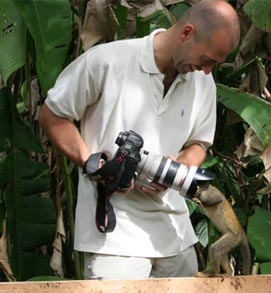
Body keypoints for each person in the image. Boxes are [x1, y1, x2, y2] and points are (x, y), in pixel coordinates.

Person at [39, 0, 240, 280]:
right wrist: (92, 162)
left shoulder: (202, 82)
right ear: (187, 32)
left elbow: (199, 144)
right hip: (114, 238)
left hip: (176, 236)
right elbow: (52, 115)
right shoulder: (109, 60)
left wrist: (178, 166)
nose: (208, 71)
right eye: (207, 60)